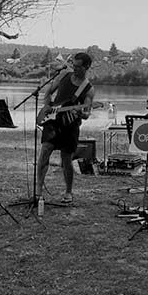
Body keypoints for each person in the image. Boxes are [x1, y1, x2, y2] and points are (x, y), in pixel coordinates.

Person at [36, 52, 94, 203]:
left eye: (78, 67)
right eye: (73, 65)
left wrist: (80, 113)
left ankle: (68, 192)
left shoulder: (88, 89)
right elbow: (48, 92)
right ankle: (38, 192)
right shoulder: (64, 76)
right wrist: (48, 105)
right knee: (45, 151)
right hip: (52, 121)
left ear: (87, 67)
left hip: (70, 126)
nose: (74, 69)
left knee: (66, 159)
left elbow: (87, 114)